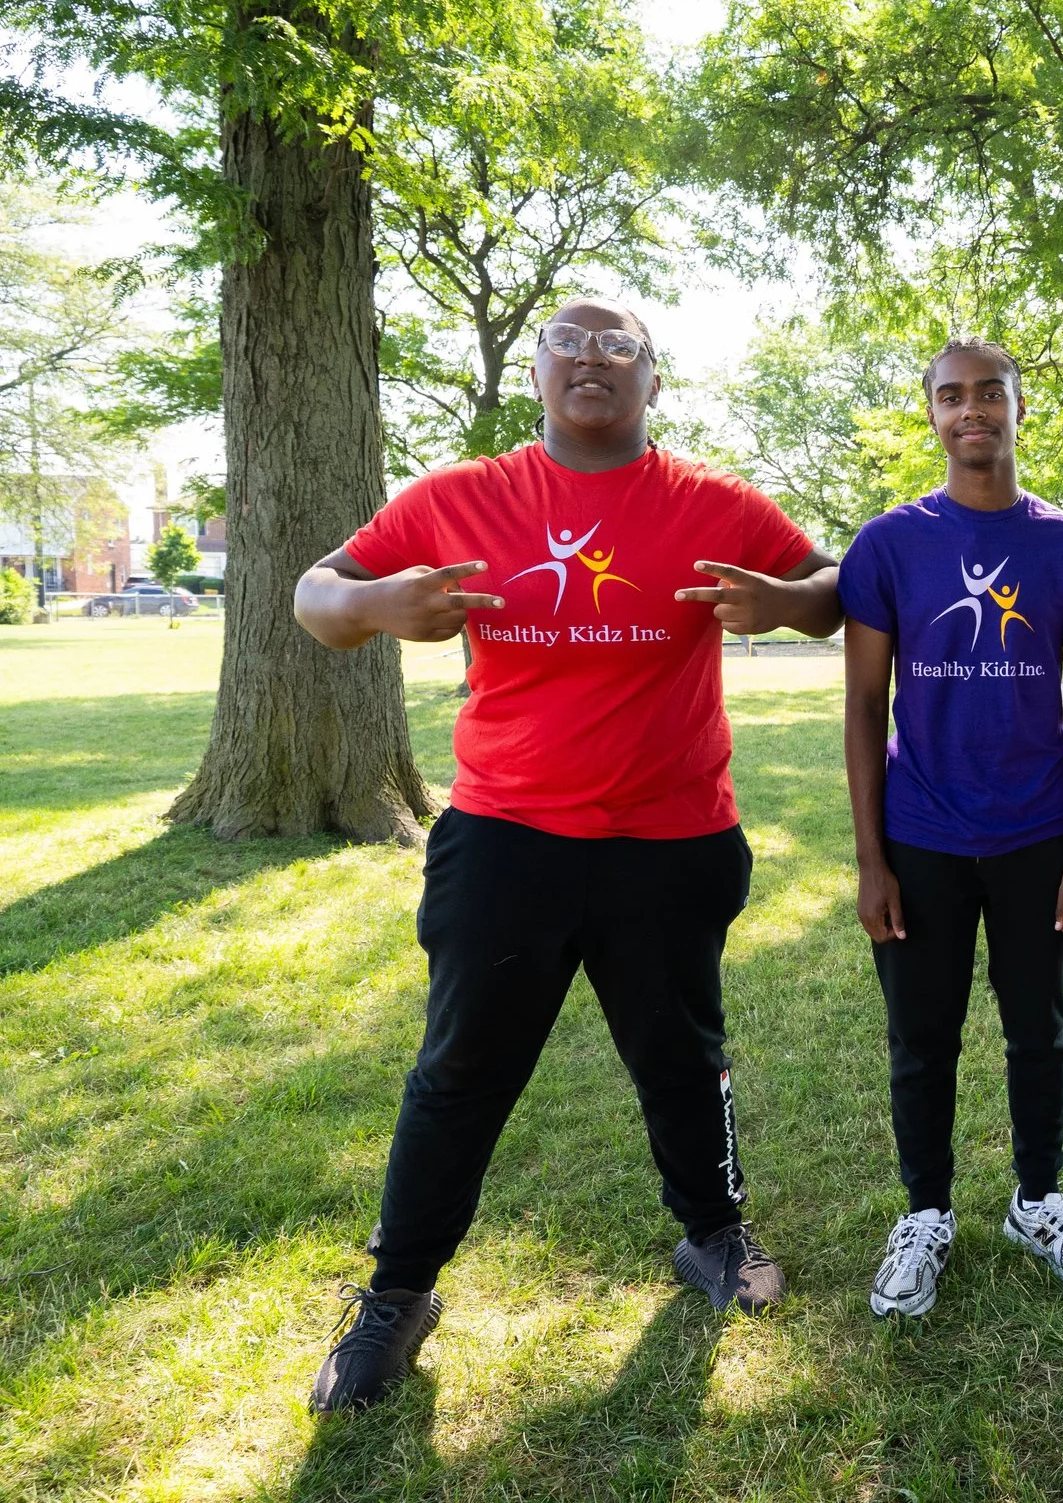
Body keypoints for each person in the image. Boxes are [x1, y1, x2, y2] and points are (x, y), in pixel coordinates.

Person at [293, 298, 845, 1414]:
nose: (591, 358)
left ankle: (714, 1236)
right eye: (569, 344)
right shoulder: (461, 496)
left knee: (684, 1056)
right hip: (507, 838)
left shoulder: (711, 501)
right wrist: (372, 602)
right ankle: (396, 1294)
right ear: (537, 375)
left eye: (619, 345)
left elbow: (836, 589)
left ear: (653, 379)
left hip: (673, 837)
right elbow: (314, 593)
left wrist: (784, 600)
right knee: (460, 1069)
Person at [840, 337, 1063, 1319]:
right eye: (951, 394)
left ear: (1017, 404)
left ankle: (1038, 1199)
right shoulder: (888, 544)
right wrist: (871, 857)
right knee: (918, 1036)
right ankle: (924, 1213)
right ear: (930, 411)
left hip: (1036, 835)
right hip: (919, 833)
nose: (973, 409)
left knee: (1037, 1030)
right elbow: (861, 704)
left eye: (989, 392)